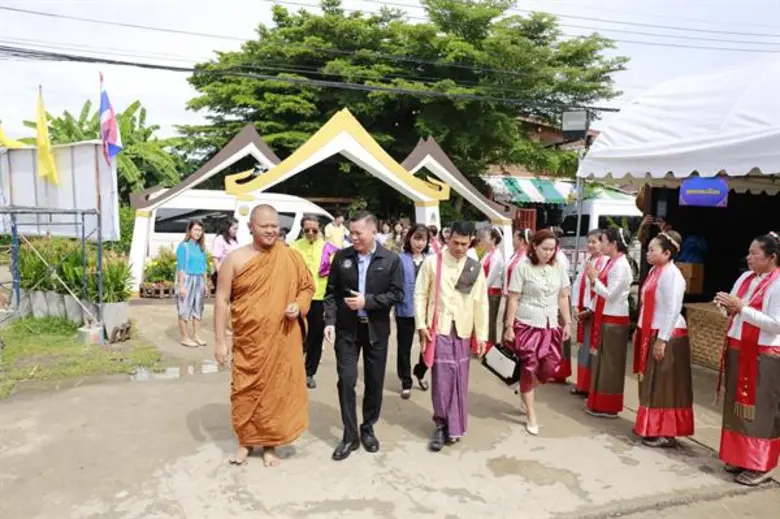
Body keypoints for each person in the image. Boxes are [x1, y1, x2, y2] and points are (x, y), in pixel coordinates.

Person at [213, 204, 315, 467]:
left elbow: (307, 287)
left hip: (282, 338)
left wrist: (298, 305)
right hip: (249, 342)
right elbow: (222, 300)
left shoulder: (290, 257)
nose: (271, 231)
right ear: (250, 227)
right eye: (264, 226)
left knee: (277, 391)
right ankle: (245, 442)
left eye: (274, 226)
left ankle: (270, 445)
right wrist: (220, 342)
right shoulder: (234, 260)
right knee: (244, 390)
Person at [323, 211, 404, 461]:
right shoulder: (342, 258)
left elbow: (397, 294)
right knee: (346, 381)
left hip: (376, 331)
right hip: (347, 331)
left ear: (373, 232)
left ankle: (367, 428)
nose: (353, 237)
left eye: (358, 233)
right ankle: (350, 435)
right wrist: (330, 321)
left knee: (374, 383)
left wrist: (367, 301)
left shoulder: (390, 260)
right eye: (351, 232)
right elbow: (331, 293)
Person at [714, 232, 780, 486]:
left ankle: (761, 464)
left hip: (764, 353)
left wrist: (741, 307)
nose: (749, 257)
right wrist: (726, 306)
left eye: (755, 253)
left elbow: (775, 325)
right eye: (749, 252)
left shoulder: (777, 283)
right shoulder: (746, 277)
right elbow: (734, 307)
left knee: (761, 410)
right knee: (737, 405)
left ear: (771, 257)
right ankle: (740, 456)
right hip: (739, 346)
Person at [415, 221, 488, 450]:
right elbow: (419, 294)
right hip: (439, 329)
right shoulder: (432, 262)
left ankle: (455, 425)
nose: (459, 248)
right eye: (455, 242)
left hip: (463, 331)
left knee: (460, 378)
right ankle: (440, 425)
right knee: (442, 379)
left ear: (470, 243)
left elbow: (481, 304)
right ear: (448, 239)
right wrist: (421, 324)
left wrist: (482, 336)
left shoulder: (475, 267)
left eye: (464, 244)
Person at [503, 229, 572, 435]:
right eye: (545, 249)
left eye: (552, 249)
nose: (548, 253)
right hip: (526, 323)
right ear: (534, 246)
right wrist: (509, 326)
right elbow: (513, 298)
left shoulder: (558, 268)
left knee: (548, 367)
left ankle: (525, 388)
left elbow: (562, 296)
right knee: (529, 366)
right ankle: (531, 413)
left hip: (550, 325)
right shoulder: (522, 268)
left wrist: (567, 322)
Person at [633, 230, 693, 448]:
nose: (647, 253)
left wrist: (662, 340)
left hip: (667, 334)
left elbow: (672, 310)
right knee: (652, 382)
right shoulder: (655, 272)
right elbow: (647, 304)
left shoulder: (672, 275)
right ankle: (652, 426)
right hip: (651, 331)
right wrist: (639, 327)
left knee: (664, 385)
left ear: (667, 253)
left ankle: (666, 431)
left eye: (652, 250)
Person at [585, 227, 633, 419]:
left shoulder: (621, 265)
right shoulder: (612, 262)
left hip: (614, 317)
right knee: (603, 362)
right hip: (605, 315)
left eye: (603, 241)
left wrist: (594, 280)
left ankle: (608, 404)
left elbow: (611, 295)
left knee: (610, 363)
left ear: (613, 244)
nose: (601, 244)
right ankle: (599, 402)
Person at [291, 215, 338, 389]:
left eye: (314, 230)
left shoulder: (329, 249)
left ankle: (309, 372)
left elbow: (335, 276)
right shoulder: (294, 248)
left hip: (320, 298)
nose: (311, 233)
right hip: (298, 298)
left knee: (315, 338)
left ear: (320, 229)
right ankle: (293, 371)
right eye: (307, 230)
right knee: (295, 336)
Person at [395, 224, 431, 398]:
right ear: (409, 238)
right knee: (404, 347)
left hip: (427, 311)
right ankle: (406, 380)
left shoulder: (431, 259)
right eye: (416, 238)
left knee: (427, 346)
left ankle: (421, 372)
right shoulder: (400, 259)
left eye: (423, 239)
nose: (420, 243)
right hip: (405, 309)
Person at [570, 229, 606, 396]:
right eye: (589, 241)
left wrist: (589, 309)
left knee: (591, 347)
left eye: (594, 242)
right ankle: (582, 384)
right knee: (583, 348)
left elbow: (601, 289)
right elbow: (578, 284)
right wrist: (575, 306)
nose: (590, 245)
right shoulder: (587, 260)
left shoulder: (605, 262)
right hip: (584, 309)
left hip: (594, 311)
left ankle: (589, 386)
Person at [176, 219, 209, 348]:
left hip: (199, 279)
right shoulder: (183, 246)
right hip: (188, 279)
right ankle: (184, 337)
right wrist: (182, 286)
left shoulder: (201, 247)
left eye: (200, 230)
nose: (198, 233)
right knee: (184, 308)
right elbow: (181, 267)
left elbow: (204, 267)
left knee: (198, 308)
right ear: (190, 231)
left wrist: (205, 284)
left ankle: (196, 335)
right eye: (195, 230)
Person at [479, 227, 504, 353]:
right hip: (485, 291)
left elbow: (491, 277)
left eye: (486, 237)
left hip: (492, 293)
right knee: (484, 320)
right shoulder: (488, 254)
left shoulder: (497, 257)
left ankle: (490, 348)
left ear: (493, 239)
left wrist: (480, 289)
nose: (483, 239)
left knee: (490, 321)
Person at [211, 218, 240, 295]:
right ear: (227, 227)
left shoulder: (234, 240)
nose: (236, 231)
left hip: (234, 274)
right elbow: (216, 259)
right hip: (224, 274)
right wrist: (220, 274)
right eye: (234, 229)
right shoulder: (219, 239)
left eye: (237, 229)